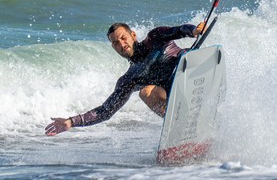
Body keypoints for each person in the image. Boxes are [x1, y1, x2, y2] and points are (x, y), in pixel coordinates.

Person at [45, 21, 206, 136]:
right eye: (115, 43)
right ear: (113, 48)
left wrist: (193, 31)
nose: (121, 44)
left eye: (123, 38)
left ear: (133, 35)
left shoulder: (155, 37)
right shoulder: (130, 78)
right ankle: (179, 123)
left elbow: (178, 30)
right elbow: (106, 111)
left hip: (189, 70)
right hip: (173, 96)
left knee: (185, 55)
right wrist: (71, 122)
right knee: (145, 92)